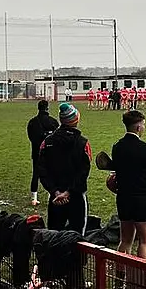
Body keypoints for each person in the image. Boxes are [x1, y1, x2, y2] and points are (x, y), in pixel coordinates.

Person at [111, 110, 146, 288]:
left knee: (125, 240)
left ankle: (119, 281)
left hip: (123, 197)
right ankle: (144, 285)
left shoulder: (117, 146)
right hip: (143, 198)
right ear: (139, 126)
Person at [38, 103, 91, 234]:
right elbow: (84, 172)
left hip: (55, 198)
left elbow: (42, 170)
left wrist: (55, 191)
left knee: (54, 236)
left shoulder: (47, 142)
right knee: (78, 237)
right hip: (76, 197)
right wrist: (69, 192)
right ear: (75, 120)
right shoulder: (83, 143)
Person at [26, 100, 59, 207]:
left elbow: (31, 138)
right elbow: (57, 138)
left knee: (36, 174)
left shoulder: (32, 122)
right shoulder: (53, 122)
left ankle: (34, 199)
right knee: (53, 174)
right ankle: (54, 195)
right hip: (51, 153)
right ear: (47, 108)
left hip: (37, 152)